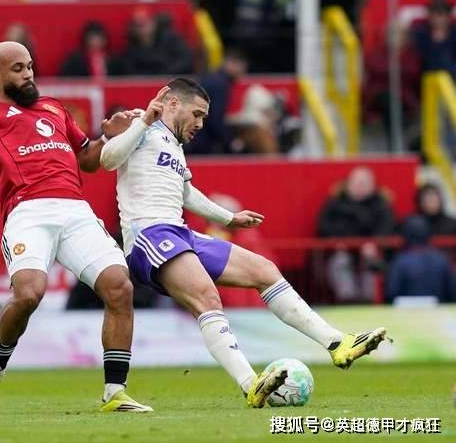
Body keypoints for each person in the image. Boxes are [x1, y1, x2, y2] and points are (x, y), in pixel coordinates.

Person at [100, 78, 387, 408]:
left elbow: (186, 193)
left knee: (264, 270)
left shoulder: (173, 145)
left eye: (204, 117)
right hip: (149, 236)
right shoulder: (141, 122)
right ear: (173, 104)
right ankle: (251, 384)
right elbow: (108, 159)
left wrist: (229, 218)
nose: (200, 124)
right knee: (207, 297)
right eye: (197, 114)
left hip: (179, 232)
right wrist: (143, 121)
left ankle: (337, 343)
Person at [0, 41, 151, 415]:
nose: (28, 74)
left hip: (75, 210)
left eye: (30, 66)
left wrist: (110, 137)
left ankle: (115, 392)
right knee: (29, 294)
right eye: (18, 68)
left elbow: (88, 160)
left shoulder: (55, 108)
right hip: (28, 211)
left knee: (120, 286)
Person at [317, 166, 397, 302]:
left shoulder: (381, 205)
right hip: (340, 252)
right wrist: (336, 242)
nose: (360, 187)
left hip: (371, 254)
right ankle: (347, 299)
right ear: (348, 184)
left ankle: (368, 300)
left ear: (372, 185)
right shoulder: (335, 204)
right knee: (340, 262)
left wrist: (374, 244)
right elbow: (324, 227)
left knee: (371, 264)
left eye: (364, 183)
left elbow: (387, 227)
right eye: (357, 183)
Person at [387, 216, 454, 302]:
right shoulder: (442, 259)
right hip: (438, 307)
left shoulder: (400, 261)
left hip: (407, 308)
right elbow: (452, 291)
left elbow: (392, 291)